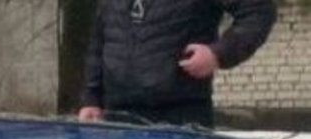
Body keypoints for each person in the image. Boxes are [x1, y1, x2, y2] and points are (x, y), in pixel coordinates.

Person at [78, 0, 276, 127]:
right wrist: (92, 98)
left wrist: (217, 54)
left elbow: (258, 11)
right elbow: (101, 38)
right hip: (119, 118)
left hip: (180, 118)